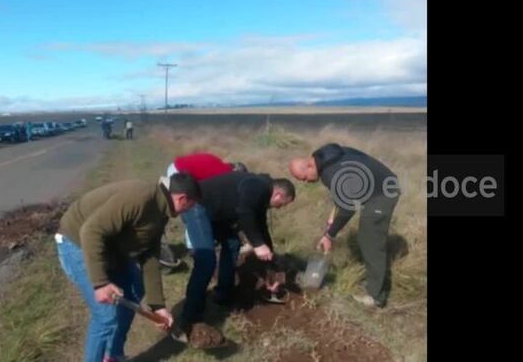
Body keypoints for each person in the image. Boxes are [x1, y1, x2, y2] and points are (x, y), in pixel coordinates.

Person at [55, 173, 201, 362]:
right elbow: (91, 231)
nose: (189, 211)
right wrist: (100, 284)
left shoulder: (162, 211)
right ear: (183, 199)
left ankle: (112, 355)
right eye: (191, 206)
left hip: (110, 248)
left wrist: (158, 307)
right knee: (106, 317)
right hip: (77, 242)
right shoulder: (141, 198)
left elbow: (150, 256)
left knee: (134, 288)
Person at [178, 172, 295, 330]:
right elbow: (244, 212)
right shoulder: (257, 185)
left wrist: (270, 263)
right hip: (197, 207)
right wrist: (258, 245)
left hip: (216, 214)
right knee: (206, 261)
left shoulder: (261, 197)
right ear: (278, 195)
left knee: (233, 244)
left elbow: (261, 227)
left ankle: (223, 295)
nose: (280, 208)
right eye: (282, 204)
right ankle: (190, 318)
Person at [289, 143, 400, 308]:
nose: (305, 182)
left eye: (304, 177)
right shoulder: (323, 156)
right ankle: (375, 284)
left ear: (309, 165)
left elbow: (349, 208)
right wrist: (334, 214)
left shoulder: (330, 173)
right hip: (377, 186)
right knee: (366, 237)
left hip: (383, 192)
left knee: (370, 240)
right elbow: (346, 190)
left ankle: (376, 297)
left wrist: (329, 235)